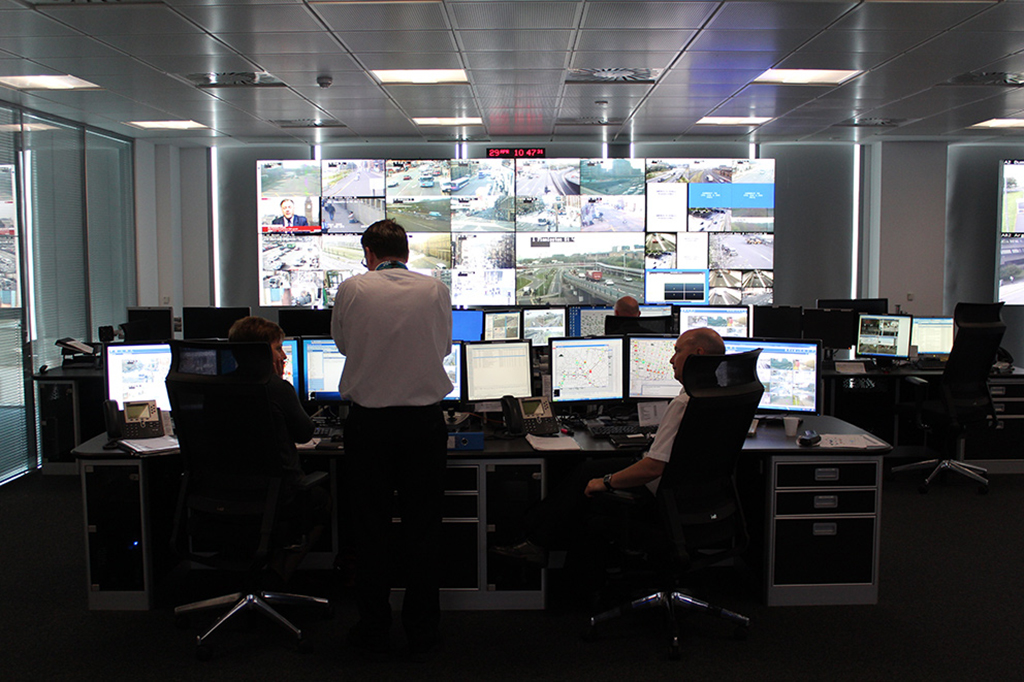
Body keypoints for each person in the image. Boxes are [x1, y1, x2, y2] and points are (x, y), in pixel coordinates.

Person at [491, 327, 726, 568]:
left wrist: (605, 482)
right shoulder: (723, 395)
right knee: (585, 472)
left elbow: (653, 467)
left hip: (662, 496)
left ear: (698, 354)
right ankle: (535, 538)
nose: (671, 359)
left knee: (586, 480)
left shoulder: (684, 403)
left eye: (677, 351)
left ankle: (538, 545)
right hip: (700, 497)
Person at [331, 219, 453, 660]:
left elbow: (343, 345)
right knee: (424, 531)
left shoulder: (353, 289)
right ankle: (422, 632)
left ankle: (373, 628)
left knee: (371, 531)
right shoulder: (435, 289)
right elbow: (442, 348)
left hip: (370, 426)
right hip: (424, 425)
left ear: (369, 253)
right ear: (407, 250)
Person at [226, 316, 331, 584]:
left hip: (223, 497)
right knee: (325, 501)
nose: (284, 356)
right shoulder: (276, 388)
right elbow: (305, 433)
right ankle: (277, 577)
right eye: (278, 348)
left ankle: (258, 579)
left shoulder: (215, 388)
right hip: (279, 498)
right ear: (261, 352)